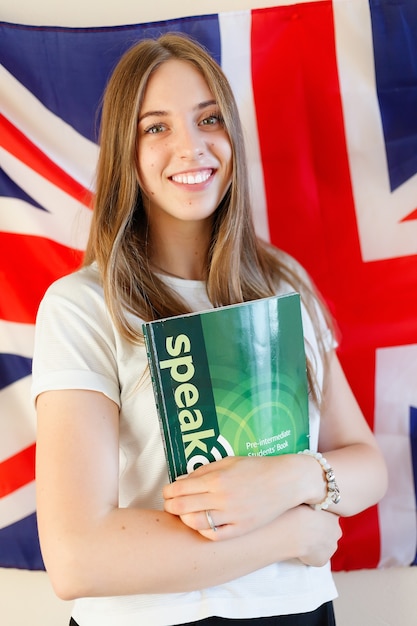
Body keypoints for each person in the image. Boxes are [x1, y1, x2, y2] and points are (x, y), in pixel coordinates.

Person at [32, 33, 388, 626]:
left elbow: (367, 465)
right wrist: (292, 531)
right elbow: (77, 559)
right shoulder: (82, 306)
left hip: (299, 611)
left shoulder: (283, 282)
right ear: (126, 148)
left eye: (209, 119)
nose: (191, 147)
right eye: (156, 127)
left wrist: (291, 478)